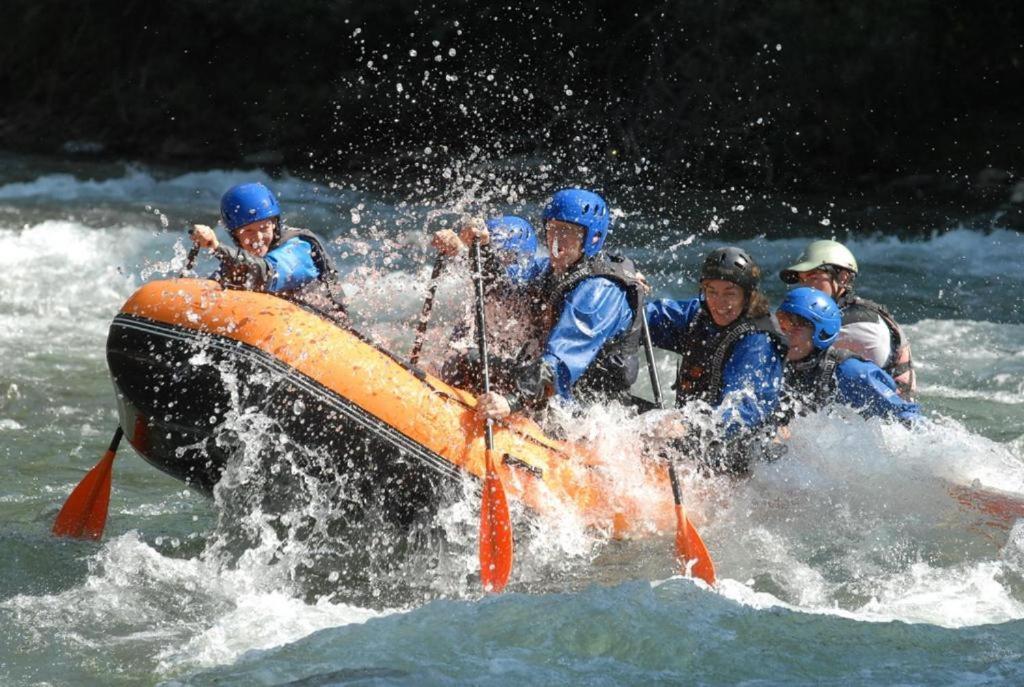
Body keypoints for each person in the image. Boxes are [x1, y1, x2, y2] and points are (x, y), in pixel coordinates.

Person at [475, 188, 646, 418]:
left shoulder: (600, 291)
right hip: (552, 389)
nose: (556, 240)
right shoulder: (551, 270)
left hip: (589, 409)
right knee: (470, 362)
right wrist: (482, 249)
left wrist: (513, 400)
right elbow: (504, 291)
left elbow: (564, 358)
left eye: (566, 232)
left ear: (592, 238)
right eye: (551, 229)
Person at [644, 247, 787, 474]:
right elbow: (649, 315)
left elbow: (743, 411)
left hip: (739, 456)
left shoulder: (758, 342)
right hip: (695, 442)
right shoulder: (699, 315)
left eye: (730, 293)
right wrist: (628, 294)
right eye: (712, 292)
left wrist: (689, 427)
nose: (719, 303)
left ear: (747, 296)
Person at [190, 182, 347, 322]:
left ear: (274, 225)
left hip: (322, 326)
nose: (258, 238)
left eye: (264, 228)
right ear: (235, 234)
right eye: (248, 231)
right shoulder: (239, 262)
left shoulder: (298, 248)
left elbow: (267, 274)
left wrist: (216, 247)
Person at [779, 239, 915, 398]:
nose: (805, 287)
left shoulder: (860, 325)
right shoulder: (830, 315)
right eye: (802, 280)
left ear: (843, 278)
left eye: (813, 277)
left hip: (883, 413)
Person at [430, 215, 545, 392]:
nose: (500, 260)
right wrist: (456, 248)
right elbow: (481, 269)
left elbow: (499, 278)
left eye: (506, 256)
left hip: (522, 374)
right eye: (496, 254)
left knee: (467, 358)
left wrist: (476, 248)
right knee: (454, 357)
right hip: (489, 354)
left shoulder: (531, 284)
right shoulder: (483, 280)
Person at [776, 287, 920, 424]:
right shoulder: (777, 366)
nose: (787, 335)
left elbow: (906, 418)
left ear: (821, 332)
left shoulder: (852, 372)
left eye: (797, 327)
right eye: (783, 325)